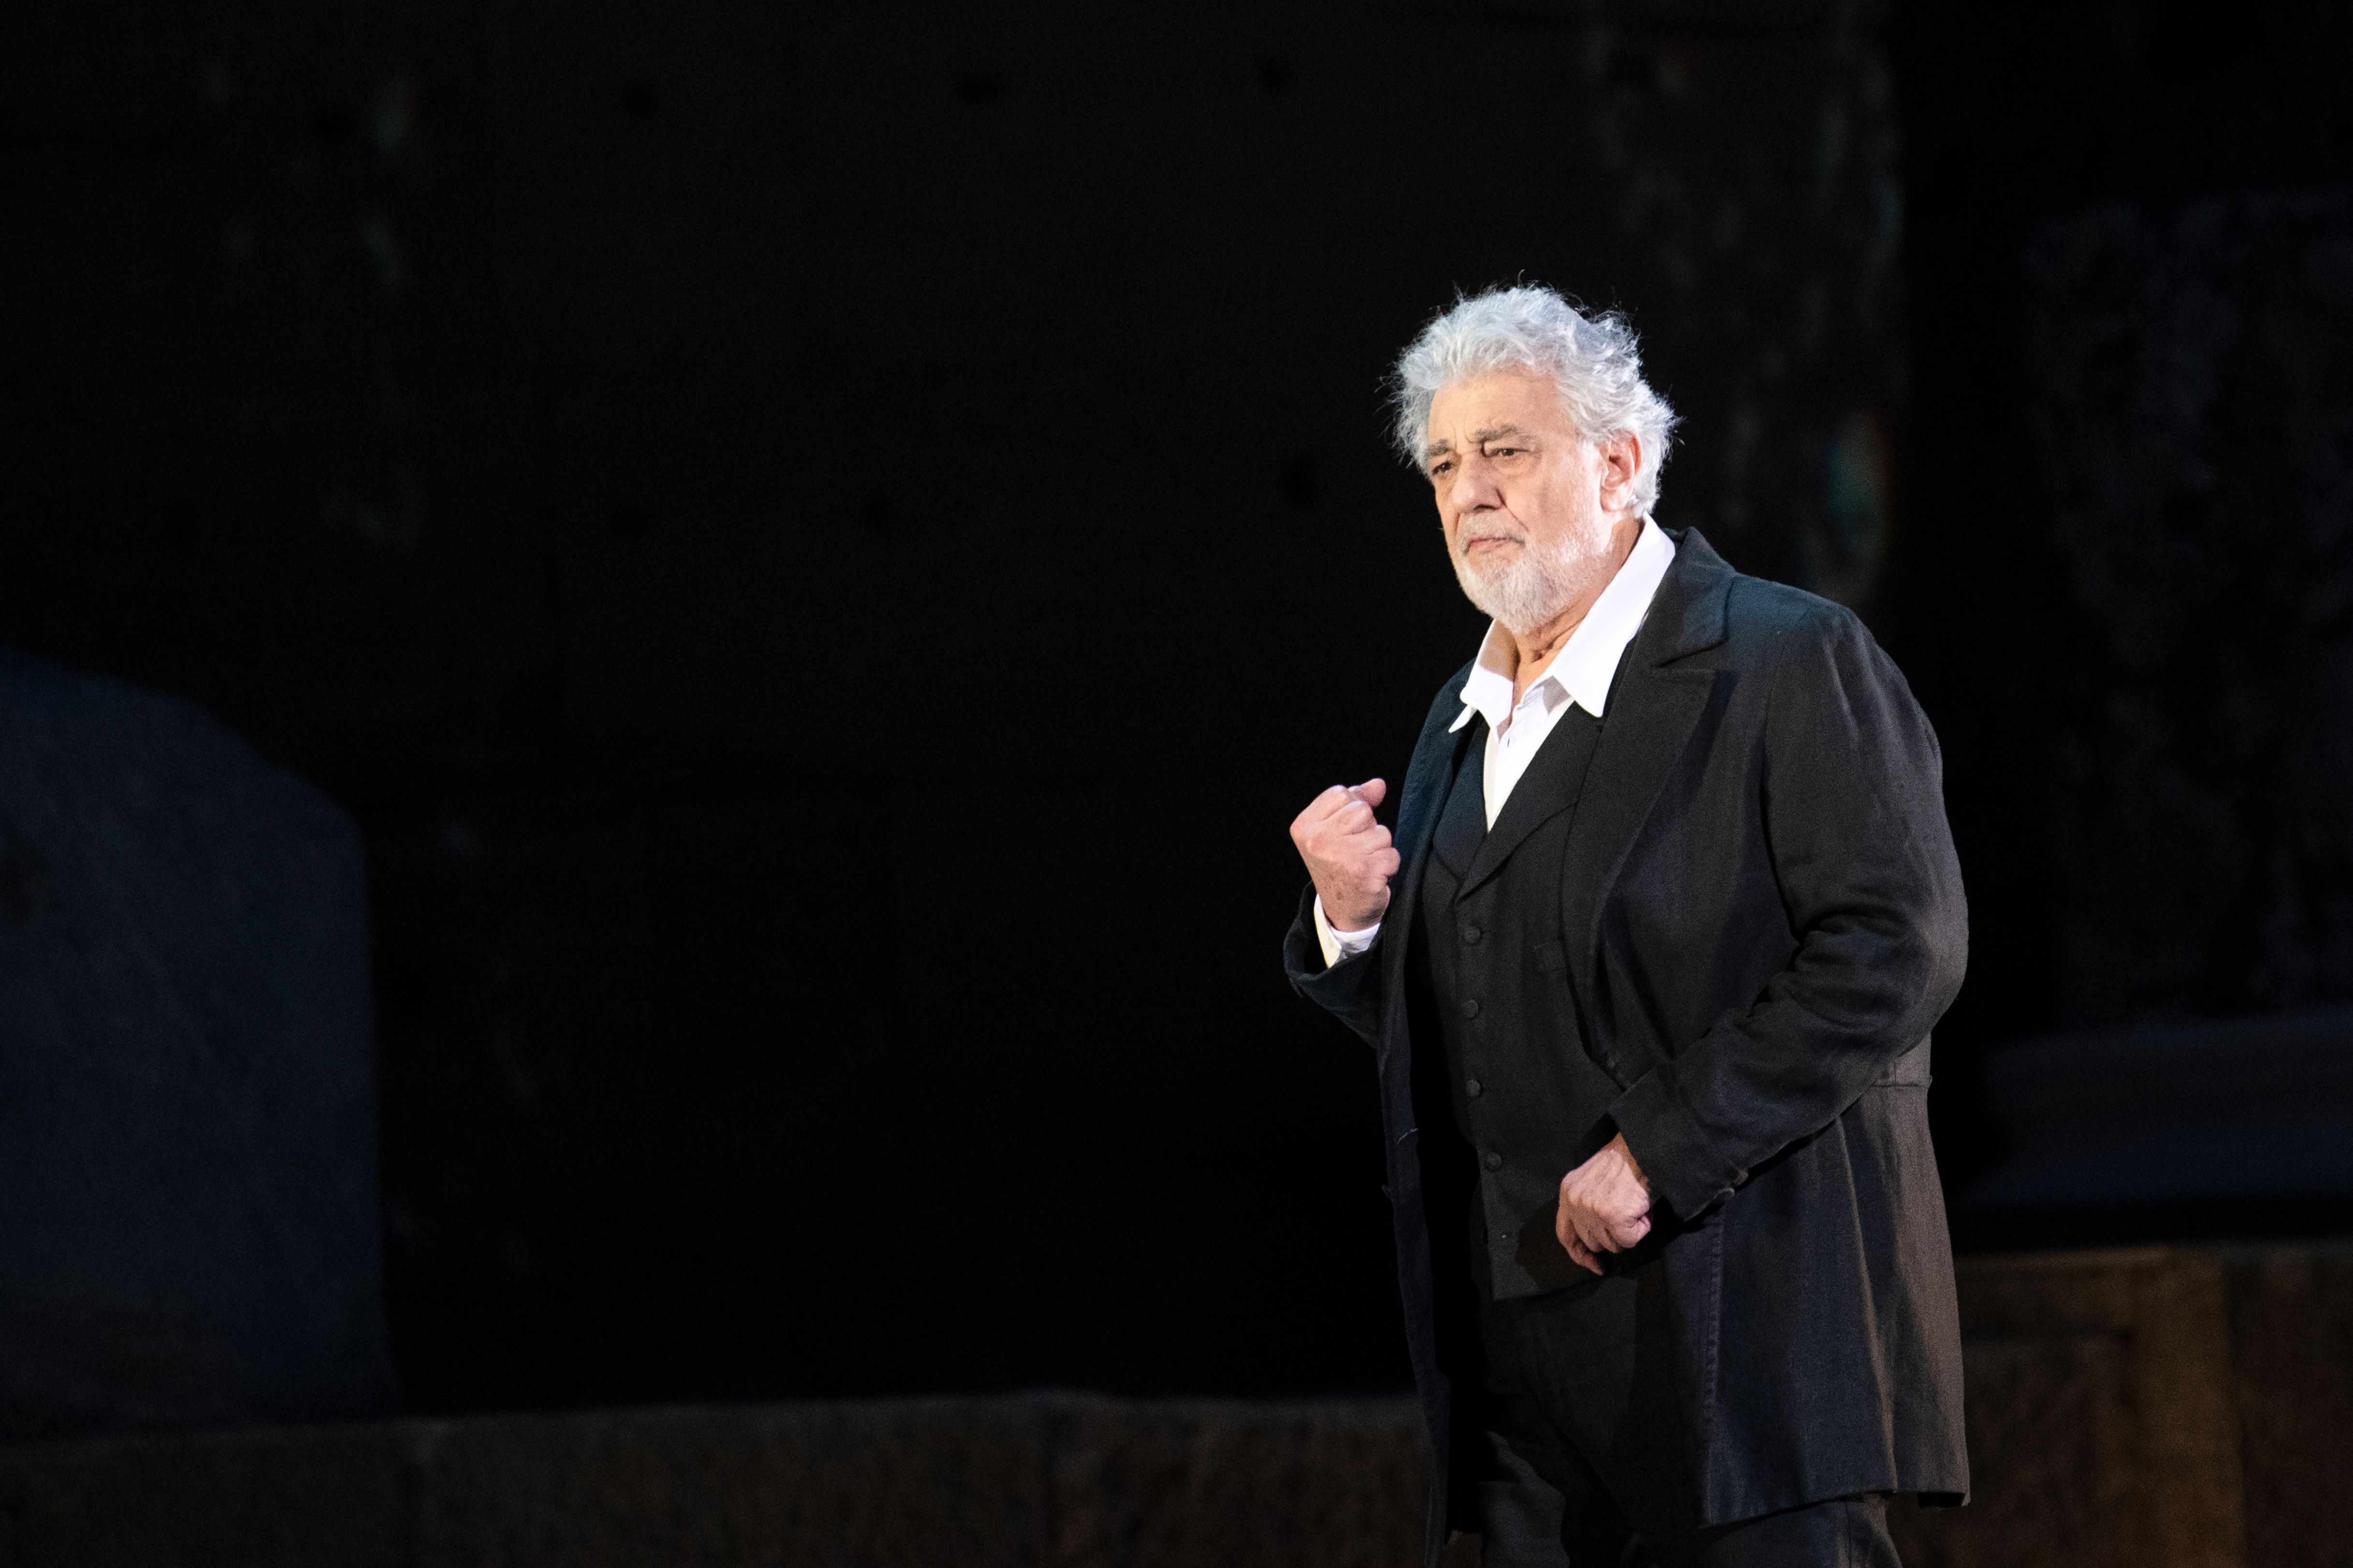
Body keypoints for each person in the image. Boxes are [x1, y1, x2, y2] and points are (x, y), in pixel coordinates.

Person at [1284, 286, 1968, 1568]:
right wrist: (1352, 924)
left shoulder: (1783, 656)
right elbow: (1484, 1014)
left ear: (1618, 462)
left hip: (1745, 1346)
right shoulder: (1459, 714)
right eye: (1441, 461)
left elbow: (1897, 942)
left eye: (1504, 449)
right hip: (1523, 1395)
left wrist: (1661, 1147)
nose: (1466, 490)